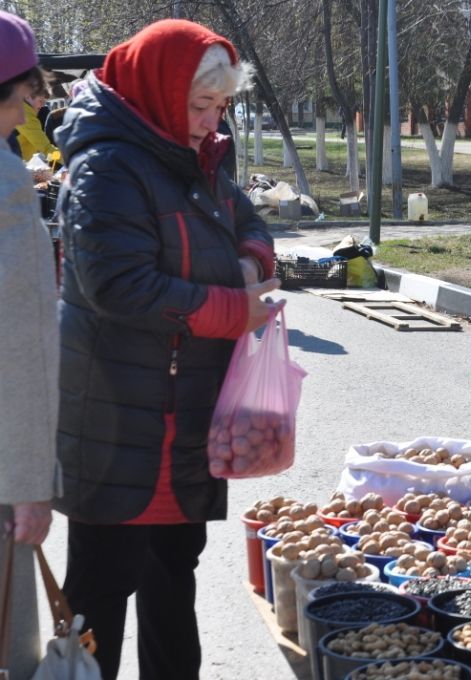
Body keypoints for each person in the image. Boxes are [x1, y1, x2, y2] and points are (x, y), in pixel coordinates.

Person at [53, 19, 281, 680]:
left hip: (182, 413)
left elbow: (248, 217)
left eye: (220, 108)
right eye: (198, 106)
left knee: (173, 573)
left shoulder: (197, 159)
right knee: (100, 590)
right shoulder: (107, 166)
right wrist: (235, 309)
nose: (210, 124)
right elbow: (120, 287)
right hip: (120, 418)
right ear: (158, 92)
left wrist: (250, 256)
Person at [0, 10, 58, 679]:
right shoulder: (6, 187)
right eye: (19, 101)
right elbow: (19, 348)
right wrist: (28, 486)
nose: (22, 119)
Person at [16, 85, 58, 161]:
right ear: (27, 96)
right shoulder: (25, 116)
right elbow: (46, 149)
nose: (42, 105)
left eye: (44, 102)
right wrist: (70, 161)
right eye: (40, 101)